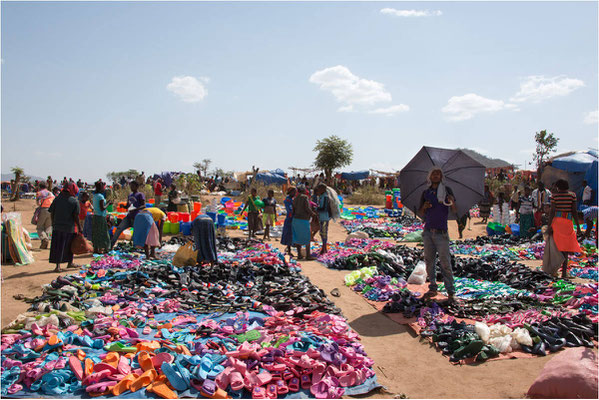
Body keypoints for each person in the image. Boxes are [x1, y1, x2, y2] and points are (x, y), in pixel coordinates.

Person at [418, 167, 458, 304]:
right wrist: (425, 207)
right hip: (428, 231)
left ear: (441, 176)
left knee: (445, 262)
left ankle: (451, 292)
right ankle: (433, 287)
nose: (436, 176)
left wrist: (451, 201)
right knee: (429, 261)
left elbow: (454, 210)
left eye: (438, 174)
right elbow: (421, 212)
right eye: (433, 173)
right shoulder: (426, 193)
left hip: (442, 233)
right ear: (430, 177)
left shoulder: (447, 191)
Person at [547, 179, 582, 279]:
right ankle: (564, 273)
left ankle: (554, 271)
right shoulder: (572, 195)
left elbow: (552, 211)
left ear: (558, 187)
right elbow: (574, 211)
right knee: (565, 249)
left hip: (557, 223)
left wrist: (549, 226)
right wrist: (578, 227)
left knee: (557, 248)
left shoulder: (555, 196)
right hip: (567, 223)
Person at [48, 183, 81, 272]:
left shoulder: (57, 199)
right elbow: (76, 216)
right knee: (69, 246)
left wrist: (53, 223)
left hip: (57, 227)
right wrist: (79, 227)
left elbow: (52, 212)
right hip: (69, 227)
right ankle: (69, 262)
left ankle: (58, 266)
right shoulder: (74, 201)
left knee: (58, 246)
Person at [110, 181, 146, 248]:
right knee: (119, 229)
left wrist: (136, 209)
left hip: (137, 217)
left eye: (133, 186)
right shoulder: (130, 195)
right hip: (129, 216)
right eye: (130, 186)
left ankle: (137, 246)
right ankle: (111, 245)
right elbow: (128, 206)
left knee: (137, 232)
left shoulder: (140, 195)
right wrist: (123, 206)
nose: (131, 188)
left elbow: (143, 205)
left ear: (137, 187)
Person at [292, 184, 316, 260]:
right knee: (307, 237)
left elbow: (294, 209)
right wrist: (313, 214)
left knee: (298, 237)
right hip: (303, 220)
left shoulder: (295, 198)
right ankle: (308, 255)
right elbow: (307, 208)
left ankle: (299, 255)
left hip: (296, 220)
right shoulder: (305, 197)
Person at [91, 181, 111, 254]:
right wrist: (108, 203)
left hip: (95, 216)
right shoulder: (101, 196)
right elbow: (102, 208)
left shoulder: (95, 195)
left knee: (96, 233)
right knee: (103, 233)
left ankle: (96, 248)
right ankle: (105, 248)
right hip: (100, 217)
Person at [35, 182, 55, 249]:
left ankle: (44, 239)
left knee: (40, 227)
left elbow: (38, 203)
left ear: (39, 187)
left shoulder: (39, 193)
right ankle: (45, 242)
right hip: (51, 210)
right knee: (48, 226)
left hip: (43, 210)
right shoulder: (50, 193)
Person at [315, 183, 331, 254]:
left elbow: (324, 208)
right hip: (321, 217)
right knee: (322, 233)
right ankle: (323, 247)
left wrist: (316, 209)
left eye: (319, 189)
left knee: (324, 232)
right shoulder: (321, 196)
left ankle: (324, 248)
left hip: (324, 217)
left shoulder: (325, 197)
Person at [281, 187, 296, 256]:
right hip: (289, 219)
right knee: (289, 234)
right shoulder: (287, 200)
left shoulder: (293, 199)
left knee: (292, 234)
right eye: (294, 192)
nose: (295, 193)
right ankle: (289, 250)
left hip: (293, 218)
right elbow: (290, 210)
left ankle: (289, 247)